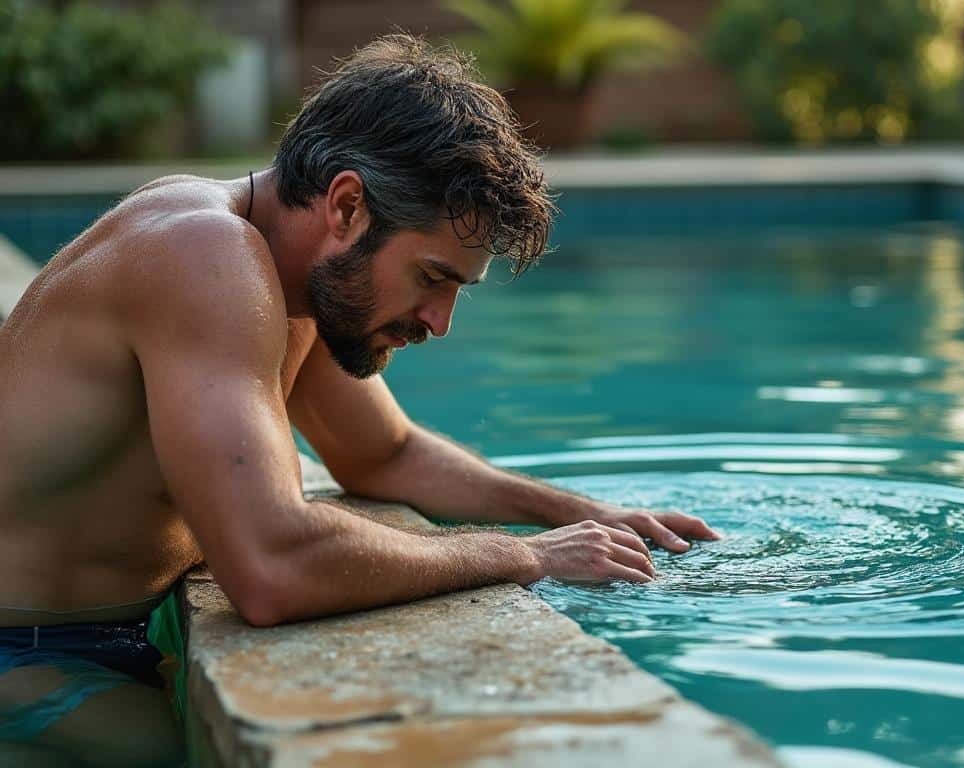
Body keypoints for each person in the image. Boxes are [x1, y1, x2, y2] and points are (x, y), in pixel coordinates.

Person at [0, 34, 719, 766]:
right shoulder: (201, 255)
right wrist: (522, 556)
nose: (439, 322)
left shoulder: (286, 275)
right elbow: (271, 567)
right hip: (22, 654)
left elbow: (385, 453)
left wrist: (582, 514)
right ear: (346, 206)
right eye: (433, 277)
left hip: (101, 637)